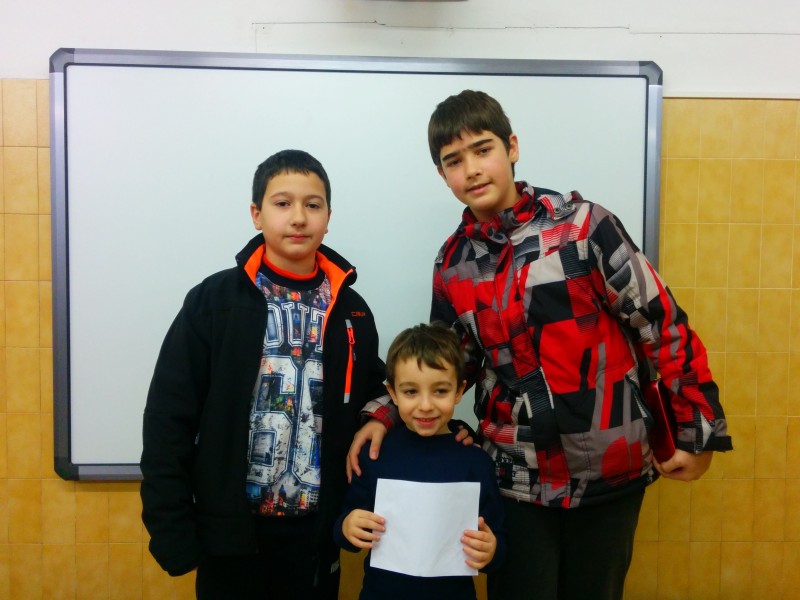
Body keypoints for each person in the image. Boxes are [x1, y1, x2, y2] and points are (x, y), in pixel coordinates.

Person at [350, 90, 733, 600]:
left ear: (511, 147)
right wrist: (383, 413)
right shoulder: (453, 262)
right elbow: (444, 362)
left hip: (610, 471)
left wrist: (697, 431)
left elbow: (661, 325)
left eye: (483, 149)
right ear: (443, 175)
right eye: (454, 160)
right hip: (515, 477)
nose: (472, 169)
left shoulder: (583, 228)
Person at [140, 149, 391, 599]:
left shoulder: (351, 310)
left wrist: (379, 417)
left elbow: (375, 391)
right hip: (231, 535)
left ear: (328, 218)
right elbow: (168, 418)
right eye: (282, 203)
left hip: (316, 535)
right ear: (256, 214)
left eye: (312, 205)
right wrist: (170, 525)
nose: (298, 217)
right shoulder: (214, 302)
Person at [336, 322, 506, 600]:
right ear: (392, 393)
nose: (426, 405)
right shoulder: (375, 455)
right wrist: (348, 526)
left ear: (459, 391)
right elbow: (346, 528)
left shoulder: (476, 463)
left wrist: (491, 549)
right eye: (411, 392)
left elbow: (497, 541)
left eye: (440, 391)